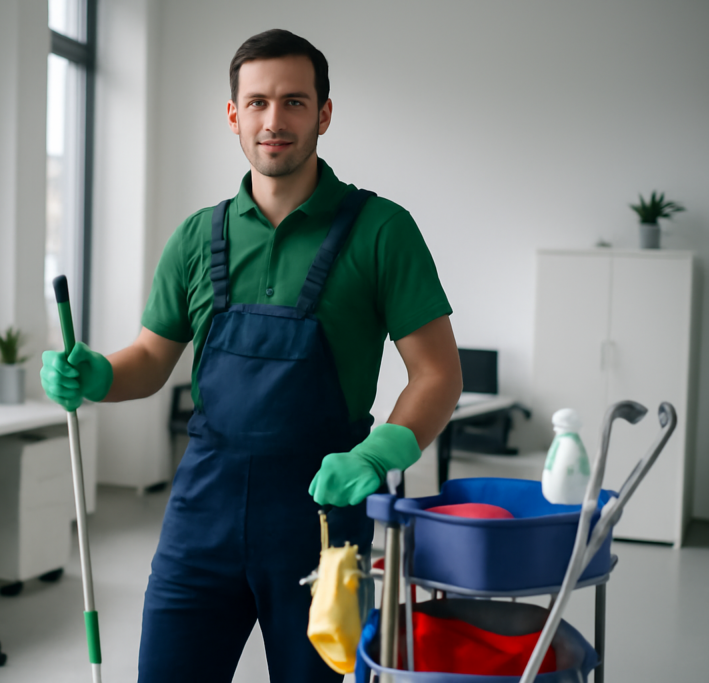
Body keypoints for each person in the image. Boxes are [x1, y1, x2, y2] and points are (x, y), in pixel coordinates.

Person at [41, 28, 463, 683]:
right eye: (258, 102)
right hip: (200, 516)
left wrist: (379, 454)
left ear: (323, 113)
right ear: (234, 115)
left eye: (294, 102)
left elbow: (437, 372)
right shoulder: (196, 236)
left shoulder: (382, 231)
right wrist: (96, 373)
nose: (274, 119)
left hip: (323, 517)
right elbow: (152, 357)